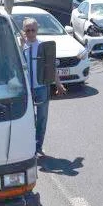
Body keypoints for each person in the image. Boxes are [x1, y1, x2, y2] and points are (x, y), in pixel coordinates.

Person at [22, 17, 66, 156]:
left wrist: (58, 84)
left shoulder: (43, 46)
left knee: (42, 118)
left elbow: (51, 67)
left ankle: (38, 146)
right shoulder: (20, 46)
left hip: (41, 87)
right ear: (23, 31)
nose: (30, 33)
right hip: (25, 89)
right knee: (28, 119)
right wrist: (20, 45)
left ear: (37, 30)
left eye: (33, 30)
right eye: (27, 30)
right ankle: (28, 146)